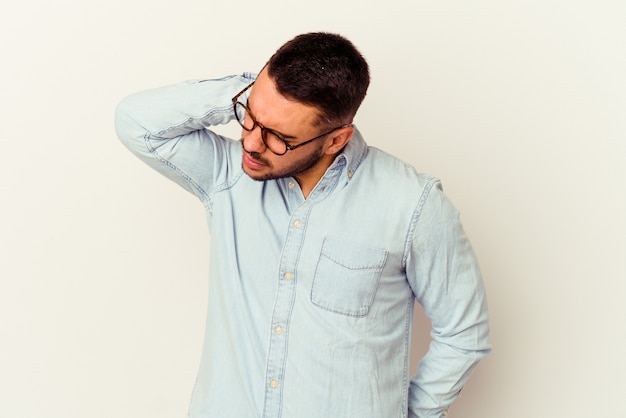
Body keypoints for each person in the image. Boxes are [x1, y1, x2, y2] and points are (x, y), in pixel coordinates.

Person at [115, 32, 491, 418]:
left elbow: (464, 333)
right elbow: (136, 122)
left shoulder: (412, 203)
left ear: (335, 140)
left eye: (279, 137)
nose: (252, 144)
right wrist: (246, 93)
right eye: (250, 118)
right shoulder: (227, 176)